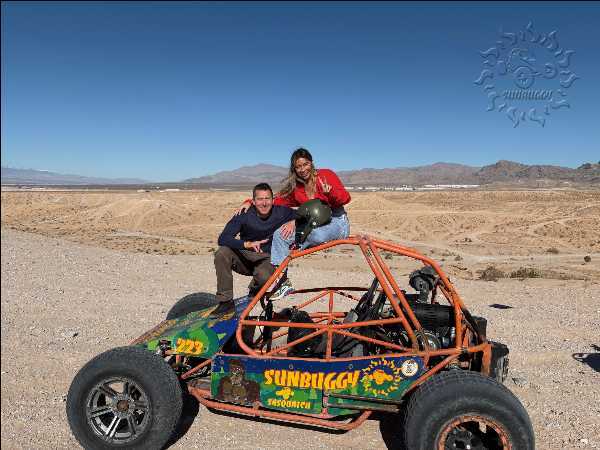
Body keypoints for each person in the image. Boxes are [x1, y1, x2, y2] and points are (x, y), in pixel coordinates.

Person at [238, 148, 351, 299]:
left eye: (305, 164)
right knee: (280, 235)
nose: (302, 169)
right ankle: (281, 282)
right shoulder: (297, 188)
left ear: (311, 163)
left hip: (336, 222)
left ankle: (297, 244)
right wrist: (250, 202)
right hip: (313, 223)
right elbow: (277, 200)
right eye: (298, 167)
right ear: (294, 169)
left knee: (316, 235)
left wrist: (330, 193)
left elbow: (345, 198)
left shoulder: (326, 176)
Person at [213, 182, 296, 316]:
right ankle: (225, 301)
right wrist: (246, 244)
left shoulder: (282, 212)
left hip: (266, 260)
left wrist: (293, 222)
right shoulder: (244, 214)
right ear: (253, 201)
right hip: (244, 258)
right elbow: (223, 238)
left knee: (265, 276)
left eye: (267, 199)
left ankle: (253, 292)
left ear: (273, 200)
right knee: (222, 252)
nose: (264, 203)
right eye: (260, 199)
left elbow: (304, 214)